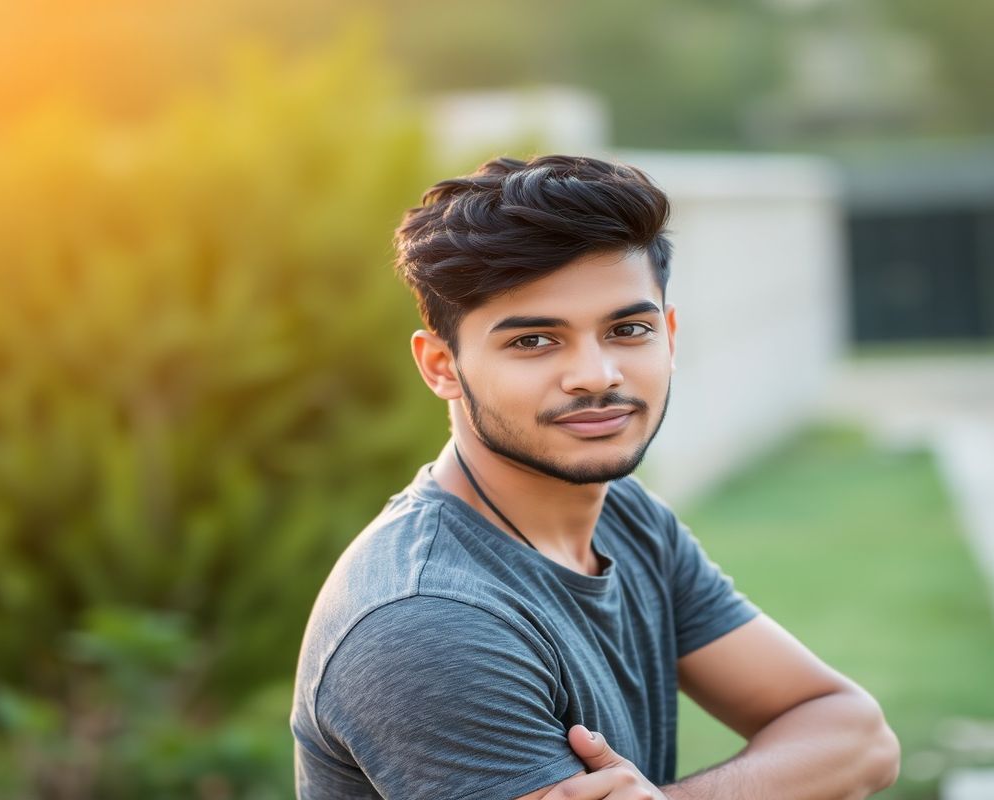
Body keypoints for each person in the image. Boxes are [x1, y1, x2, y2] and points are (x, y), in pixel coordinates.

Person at [291, 154, 900, 799]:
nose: (597, 374)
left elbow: (859, 736)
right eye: (533, 341)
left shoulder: (626, 517)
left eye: (628, 329)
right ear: (441, 365)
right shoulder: (428, 624)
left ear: (668, 335)